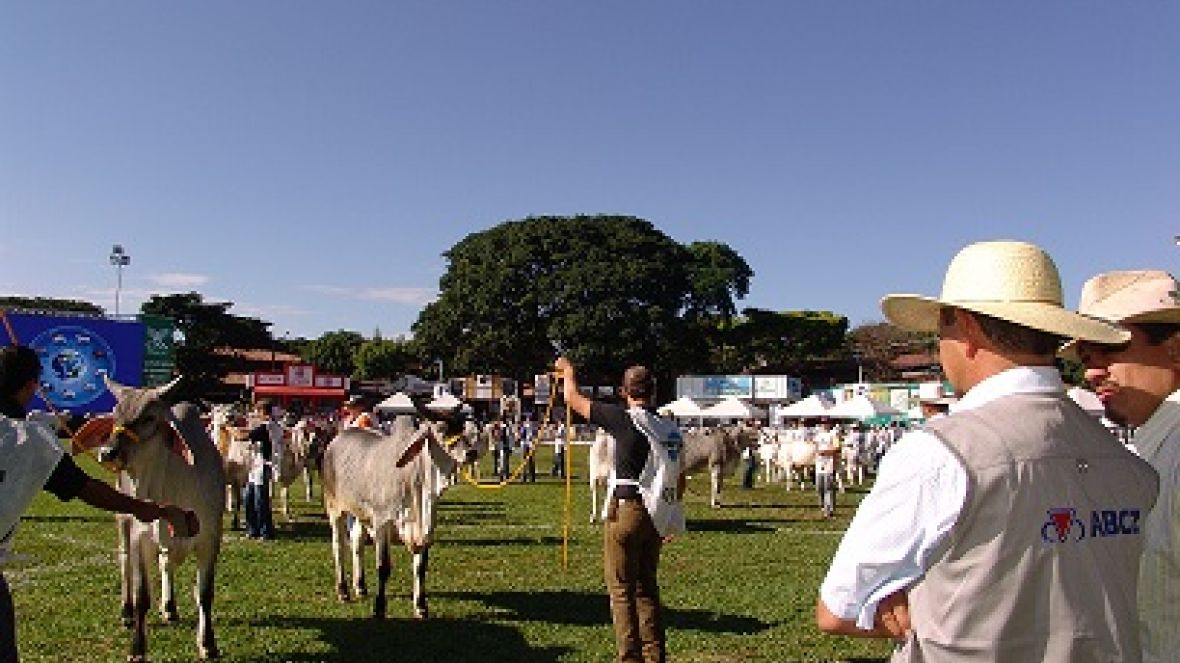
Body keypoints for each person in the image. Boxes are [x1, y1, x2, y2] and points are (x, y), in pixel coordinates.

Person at [815, 240, 1158, 661]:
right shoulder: (1127, 461)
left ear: (967, 329)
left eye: (941, 332)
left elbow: (838, 609)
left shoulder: (941, 452)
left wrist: (916, 602)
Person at [0, 345, 197, 663]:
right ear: (31, 386)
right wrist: (147, 508)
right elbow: (85, 487)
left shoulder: (33, 431)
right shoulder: (30, 441)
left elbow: (63, 426)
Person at [1062, 269, 1180, 663]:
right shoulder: (1151, 446)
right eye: (1086, 357)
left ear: (1175, 348)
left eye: (1108, 351)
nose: (1092, 372)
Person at [555, 356, 685, 663]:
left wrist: (569, 373)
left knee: (621, 590)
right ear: (653, 393)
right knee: (647, 588)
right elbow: (679, 481)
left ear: (623, 391)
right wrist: (667, 519)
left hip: (626, 510)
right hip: (656, 513)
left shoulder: (622, 419)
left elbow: (572, 399)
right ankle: (655, 655)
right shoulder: (669, 431)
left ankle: (629, 657)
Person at [242, 400, 279, 540]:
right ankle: (253, 530)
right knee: (249, 498)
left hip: (263, 466)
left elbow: (243, 436)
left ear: (263, 412)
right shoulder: (268, 426)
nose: (256, 414)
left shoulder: (267, 426)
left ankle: (266, 531)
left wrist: (228, 427)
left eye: (258, 411)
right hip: (255, 466)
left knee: (260, 501)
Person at [813, 420, 839, 518]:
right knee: (820, 487)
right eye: (822, 423)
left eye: (826, 423)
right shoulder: (818, 435)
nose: (824, 425)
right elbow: (815, 446)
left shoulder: (833, 434)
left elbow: (837, 448)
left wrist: (826, 452)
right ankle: (822, 506)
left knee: (828, 487)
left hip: (829, 463)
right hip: (819, 464)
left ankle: (830, 509)